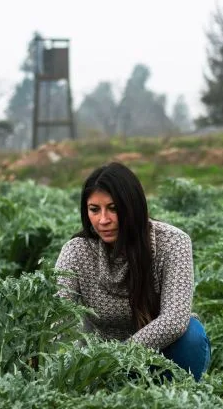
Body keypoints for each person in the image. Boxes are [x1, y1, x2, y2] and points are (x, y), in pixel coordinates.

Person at [54, 162, 211, 381]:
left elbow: (174, 320)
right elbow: (59, 315)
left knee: (192, 336)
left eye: (113, 208)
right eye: (94, 210)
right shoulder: (76, 251)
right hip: (100, 362)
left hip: (162, 352)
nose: (103, 220)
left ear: (132, 206)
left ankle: (176, 400)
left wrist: (121, 355)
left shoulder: (173, 243)